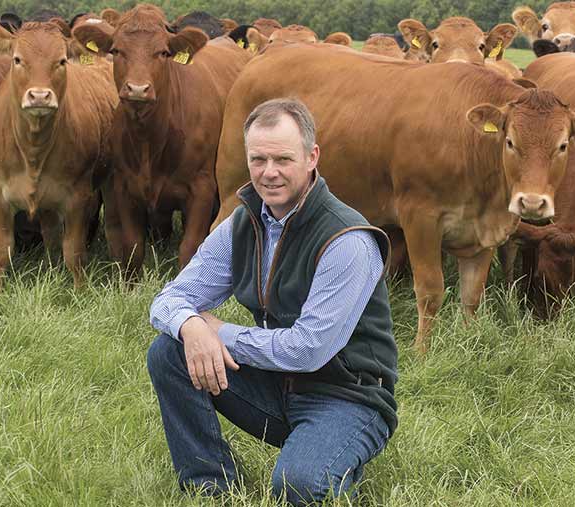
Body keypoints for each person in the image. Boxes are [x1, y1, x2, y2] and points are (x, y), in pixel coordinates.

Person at [147, 98, 398, 505]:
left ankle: (335, 453)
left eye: (283, 159)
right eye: (258, 159)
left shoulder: (347, 239)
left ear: (312, 156)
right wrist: (192, 326)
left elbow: (307, 350)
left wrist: (219, 332)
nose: (269, 173)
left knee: (300, 485)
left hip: (346, 395)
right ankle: (211, 488)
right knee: (171, 349)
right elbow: (169, 300)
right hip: (276, 385)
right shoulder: (244, 223)